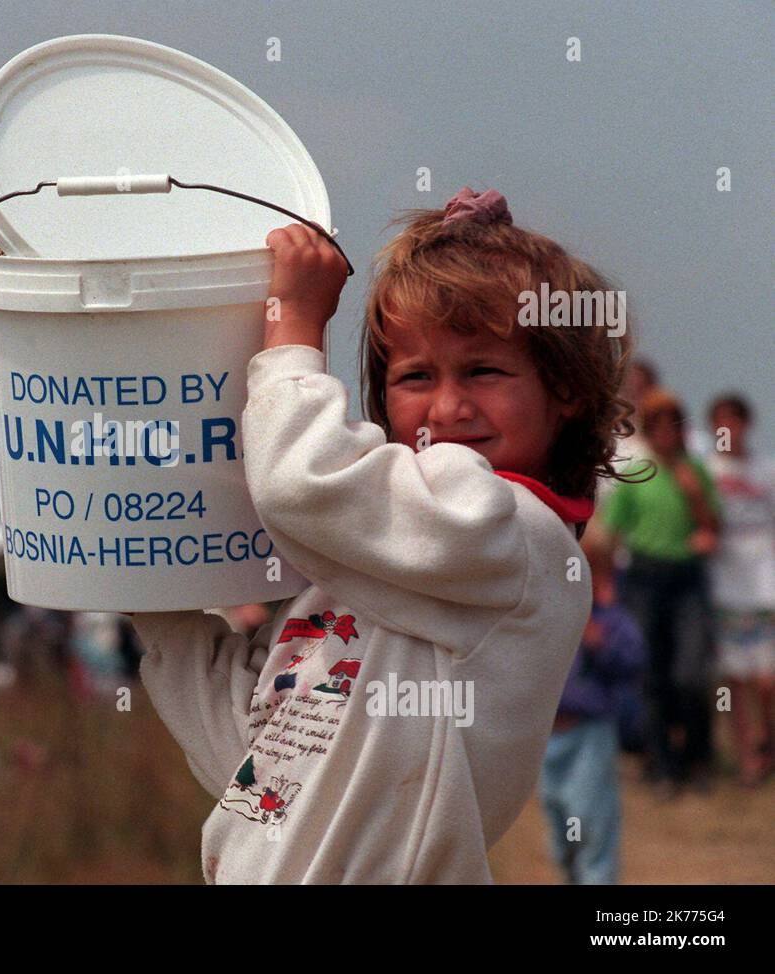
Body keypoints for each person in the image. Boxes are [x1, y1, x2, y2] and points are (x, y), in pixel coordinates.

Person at [129, 187, 636, 883]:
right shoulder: (385, 580)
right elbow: (261, 757)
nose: (450, 406)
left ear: (566, 388)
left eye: (484, 370)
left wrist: (294, 328)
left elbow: (299, 484)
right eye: (415, 375)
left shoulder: (514, 538)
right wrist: (152, 603)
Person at [599, 390, 723, 799]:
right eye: (658, 425)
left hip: (687, 577)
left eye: (672, 424)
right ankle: (662, 765)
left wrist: (694, 497)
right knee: (650, 674)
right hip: (644, 577)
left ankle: (698, 755)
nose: (665, 432)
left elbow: (713, 526)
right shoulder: (637, 472)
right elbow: (611, 533)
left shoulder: (694, 470)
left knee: (690, 672)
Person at [541, 524, 644, 884]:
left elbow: (633, 661)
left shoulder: (610, 622)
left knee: (590, 821)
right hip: (545, 738)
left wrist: (600, 642)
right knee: (558, 827)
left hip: (589, 735)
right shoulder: (543, 618)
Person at [703, 393, 775, 786]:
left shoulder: (766, 470)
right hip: (723, 585)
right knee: (733, 678)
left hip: (763, 585)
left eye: (735, 421)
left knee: (766, 678)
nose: (728, 430)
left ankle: (768, 741)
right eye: (721, 422)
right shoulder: (706, 471)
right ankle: (746, 755)